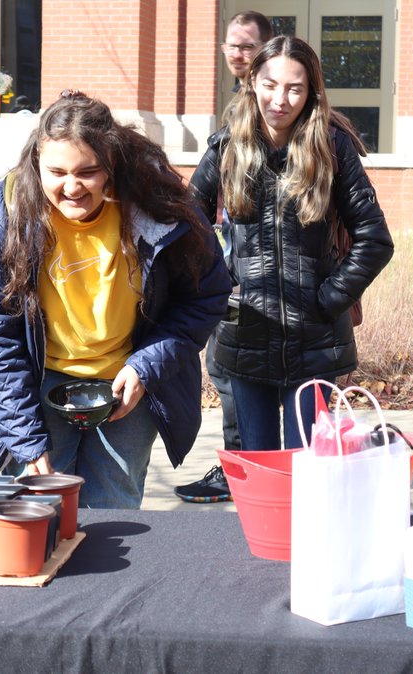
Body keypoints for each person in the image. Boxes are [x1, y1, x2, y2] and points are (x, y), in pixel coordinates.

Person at [0, 91, 231, 509]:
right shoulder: (2, 215)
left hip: (127, 387)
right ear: (36, 163)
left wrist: (147, 366)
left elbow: (206, 295)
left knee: (113, 515)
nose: (71, 187)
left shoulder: (157, 204)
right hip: (37, 384)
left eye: (88, 171)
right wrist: (27, 440)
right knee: (37, 516)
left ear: (112, 164)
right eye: (56, 171)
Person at [209, 36, 393, 450]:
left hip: (313, 342)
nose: (281, 99)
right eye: (271, 84)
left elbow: (375, 239)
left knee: (308, 465)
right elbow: (188, 225)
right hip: (246, 337)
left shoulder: (332, 147)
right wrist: (220, 286)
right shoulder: (227, 147)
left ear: (310, 92)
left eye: (295, 87)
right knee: (257, 462)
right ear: (253, 80)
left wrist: (328, 300)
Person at [175, 10, 273, 504]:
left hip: (262, 275)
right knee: (233, 370)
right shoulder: (241, 102)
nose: (238, 55)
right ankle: (250, 468)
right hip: (240, 268)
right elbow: (202, 196)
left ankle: (245, 473)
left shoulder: (266, 107)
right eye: (231, 46)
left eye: (248, 46)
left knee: (233, 369)